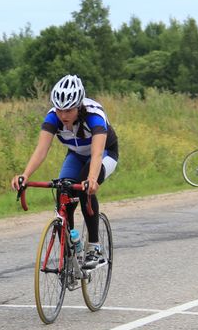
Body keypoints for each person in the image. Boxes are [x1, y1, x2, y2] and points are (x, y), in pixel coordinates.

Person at [11, 74, 118, 269]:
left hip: (104, 154)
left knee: (85, 186)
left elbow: (96, 154)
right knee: (63, 191)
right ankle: (70, 252)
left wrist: (92, 179)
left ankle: (94, 247)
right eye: (59, 109)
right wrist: (25, 175)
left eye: (68, 110)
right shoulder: (53, 117)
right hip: (76, 154)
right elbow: (41, 150)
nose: (63, 115)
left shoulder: (94, 116)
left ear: (79, 106)